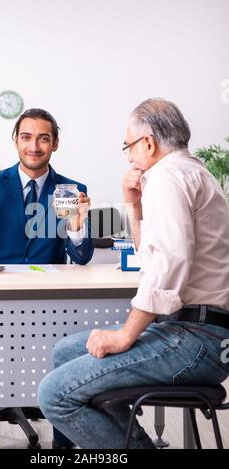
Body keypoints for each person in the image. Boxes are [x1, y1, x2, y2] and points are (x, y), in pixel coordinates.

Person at [38, 98, 229, 449]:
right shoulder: (193, 172)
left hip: (194, 339)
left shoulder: (168, 177)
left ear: (148, 143)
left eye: (128, 146)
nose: (128, 156)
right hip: (198, 333)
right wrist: (133, 204)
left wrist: (125, 335)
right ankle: (137, 443)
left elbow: (168, 266)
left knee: (53, 394)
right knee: (66, 351)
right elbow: (150, 258)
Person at [0, 108, 94, 448]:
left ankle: (63, 448)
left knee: (66, 371)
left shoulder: (66, 191)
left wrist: (77, 225)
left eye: (43, 138)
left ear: (55, 144)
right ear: (16, 141)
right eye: (27, 137)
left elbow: (81, 256)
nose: (34, 146)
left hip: (48, 307)